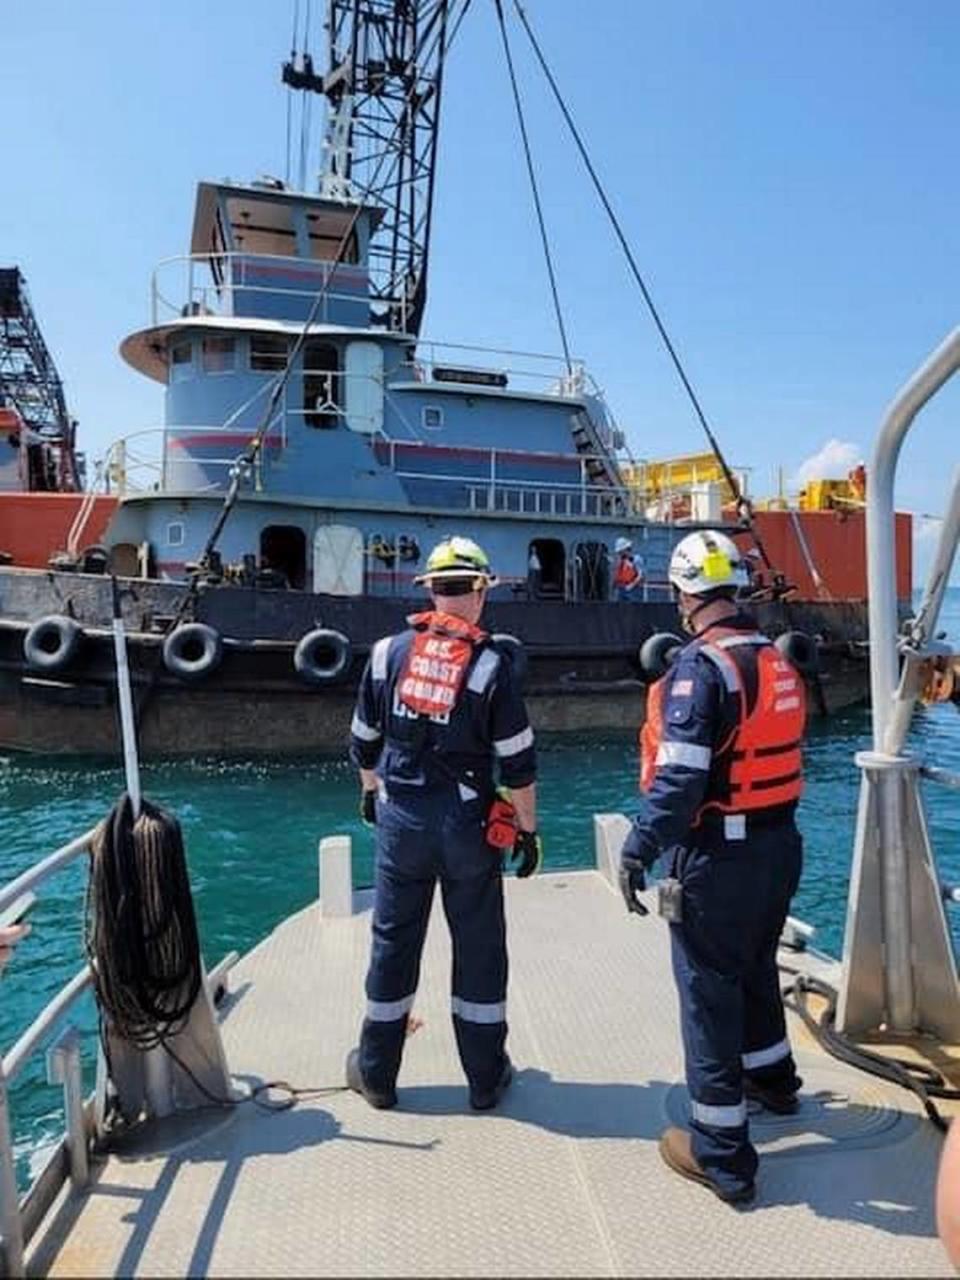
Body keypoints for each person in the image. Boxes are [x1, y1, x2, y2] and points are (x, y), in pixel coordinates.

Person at [619, 528, 806, 1205]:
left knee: (707, 989)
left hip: (720, 854)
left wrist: (638, 848)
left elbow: (679, 783)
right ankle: (775, 1082)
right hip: (779, 844)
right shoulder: (773, 658)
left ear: (684, 596)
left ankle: (722, 1155)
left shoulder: (699, 671)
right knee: (755, 964)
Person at [346, 535, 540, 1112]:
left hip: (400, 821)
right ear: (480, 593)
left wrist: (370, 794)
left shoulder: (385, 654)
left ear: (430, 590)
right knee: (479, 946)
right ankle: (486, 1079)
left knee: (392, 942)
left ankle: (377, 1074)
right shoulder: (491, 667)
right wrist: (526, 830)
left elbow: (362, 745)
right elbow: (519, 761)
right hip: (467, 826)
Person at [613, 536, 644, 601]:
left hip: (633, 591)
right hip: (621, 589)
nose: (620, 554)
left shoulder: (636, 559)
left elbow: (640, 575)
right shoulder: (622, 561)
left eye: (621, 551)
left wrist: (631, 586)